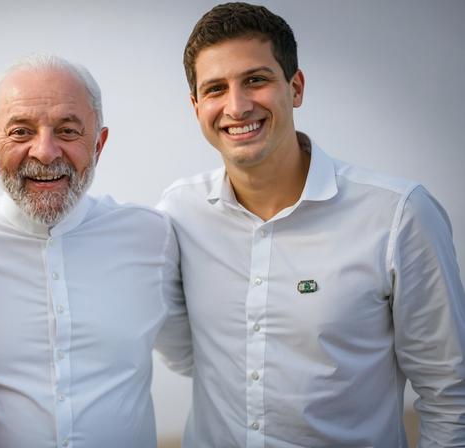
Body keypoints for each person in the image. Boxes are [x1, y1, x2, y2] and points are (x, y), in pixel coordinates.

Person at [156, 2, 465, 447]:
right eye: (216, 89)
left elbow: (449, 395)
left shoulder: (399, 215)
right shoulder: (179, 212)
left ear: (295, 87)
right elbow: (189, 354)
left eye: (256, 80)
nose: (237, 106)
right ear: (196, 105)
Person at [0, 54, 186, 448]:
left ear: (99, 144)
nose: (45, 151)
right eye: (21, 132)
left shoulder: (153, 237)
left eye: (68, 130)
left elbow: (195, 356)